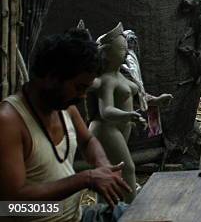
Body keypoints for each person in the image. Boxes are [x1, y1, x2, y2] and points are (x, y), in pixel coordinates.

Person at [0, 31, 132, 222]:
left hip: (78, 217)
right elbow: (10, 206)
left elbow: (88, 141)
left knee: (144, 214)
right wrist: (85, 179)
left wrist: (103, 166)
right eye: (79, 88)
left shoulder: (64, 106)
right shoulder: (9, 121)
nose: (83, 96)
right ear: (52, 77)